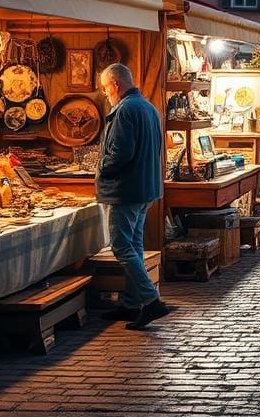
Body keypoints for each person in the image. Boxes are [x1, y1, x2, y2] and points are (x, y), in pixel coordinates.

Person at [97, 63, 169, 329]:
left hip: (126, 190)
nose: (105, 94)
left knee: (122, 246)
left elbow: (120, 153)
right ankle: (131, 303)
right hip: (144, 188)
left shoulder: (125, 110)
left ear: (115, 84)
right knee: (134, 245)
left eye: (105, 88)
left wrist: (101, 166)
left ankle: (150, 301)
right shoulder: (148, 107)